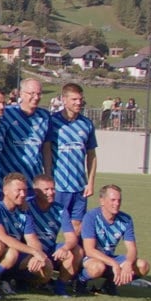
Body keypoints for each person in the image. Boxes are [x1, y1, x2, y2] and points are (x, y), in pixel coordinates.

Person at [0, 173, 42, 298]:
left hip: (12, 252)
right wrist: (34, 252)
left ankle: (4, 279)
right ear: (5, 191)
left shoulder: (24, 212)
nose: (23, 194)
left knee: (46, 267)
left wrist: (37, 254)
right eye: (18, 190)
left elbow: (32, 239)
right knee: (12, 252)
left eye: (25, 190)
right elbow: (2, 237)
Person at [50, 83, 99, 236]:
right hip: (58, 185)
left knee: (76, 226)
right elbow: (44, 150)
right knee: (52, 225)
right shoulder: (52, 122)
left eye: (80, 99)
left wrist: (90, 182)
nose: (78, 103)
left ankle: (70, 258)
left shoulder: (86, 124)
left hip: (79, 186)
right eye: (74, 99)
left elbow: (91, 155)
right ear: (64, 100)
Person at [79, 184, 148, 293]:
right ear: (102, 201)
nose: (117, 204)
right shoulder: (91, 217)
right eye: (113, 200)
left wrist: (128, 264)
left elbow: (132, 249)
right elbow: (90, 250)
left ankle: (110, 284)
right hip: (92, 259)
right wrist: (114, 264)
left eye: (119, 200)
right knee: (97, 267)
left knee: (142, 266)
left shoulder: (126, 219)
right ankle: (80, 281)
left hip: (110, 258)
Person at [27, 174, 82, 294]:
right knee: (43, 270)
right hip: (30, 251)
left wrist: (65, 248)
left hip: (50, 249)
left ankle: (60, 286)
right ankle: (29, 282)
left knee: (77, 251)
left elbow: (71, 238)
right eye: (46, 189)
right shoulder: (27, 206)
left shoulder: (60, 209)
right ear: (36, 191)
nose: (51, 192)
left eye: (53, 189)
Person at [0, 79, 54, 185]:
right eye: (32, 94)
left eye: (39, 94)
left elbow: (46, 149)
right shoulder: (7, 113)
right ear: (21, 94)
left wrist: (47, 174)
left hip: (34, 180)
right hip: (10, 180)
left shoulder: (45, 116)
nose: (36, 97)